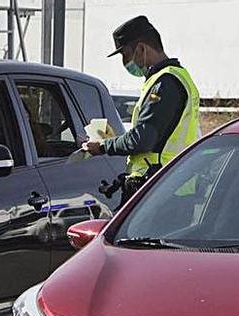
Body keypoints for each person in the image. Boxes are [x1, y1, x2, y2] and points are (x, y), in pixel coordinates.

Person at [82, 15, 201, 198]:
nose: (124, 63)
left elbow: (143, 138)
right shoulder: (174, 77)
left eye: (125, 55)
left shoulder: (165, 83)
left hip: (161, 187)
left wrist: (104, 145)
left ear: (141, 49)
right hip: (171, 182)